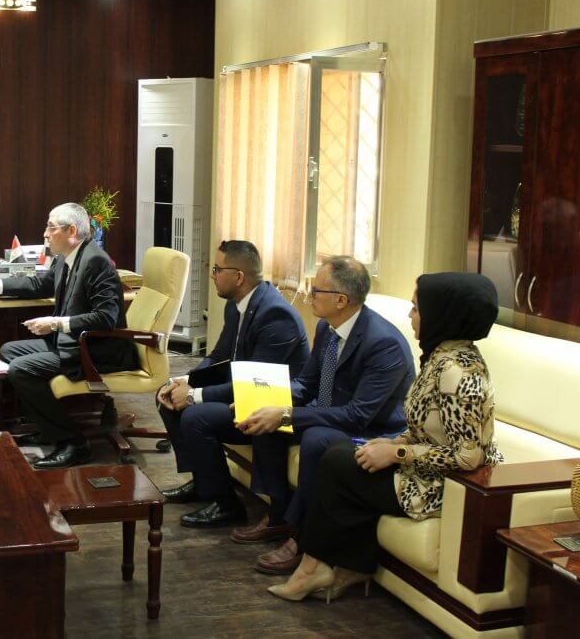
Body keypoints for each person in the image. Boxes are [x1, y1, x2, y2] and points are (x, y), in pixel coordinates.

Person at [267, 272, 502, 602]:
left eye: (416, 308)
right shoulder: (441, 356)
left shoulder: (458, 372)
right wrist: (393, 443)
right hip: (424, 469)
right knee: (347, 456)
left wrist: (397, 454)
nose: (410, 315)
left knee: (337, 462)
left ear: (442, 314)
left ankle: (311, 566)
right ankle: (349, 565)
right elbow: (425, 428)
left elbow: (468, 457)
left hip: (442, 486)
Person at [232, 256, 415, 576]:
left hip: (373, 430)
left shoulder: (384, 344)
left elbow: (358, 415)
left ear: (341, 300)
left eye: (316, 289)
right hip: (332, 413)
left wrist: (286, 414)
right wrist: (263, 400)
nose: (309, 294)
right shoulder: (327, 327)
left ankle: (302, 539)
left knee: (316, 439)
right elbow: (307, 383)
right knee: (266, 422)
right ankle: (278, 515)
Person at [0, 202, 137, 468]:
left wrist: (56, 323)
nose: (45, 234)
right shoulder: (66, 257)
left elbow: (106, 317)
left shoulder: (96, 261)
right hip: (73, 343)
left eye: (51, 227)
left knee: (21, 370)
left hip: (97, 351)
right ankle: (49, 428)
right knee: (8, 351)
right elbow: (40, 284)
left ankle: (73, 443)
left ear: (71, 230)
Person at [157, 240, 309, 528]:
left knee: (196, 415)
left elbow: (255, 385)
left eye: (217, 269)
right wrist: (184, 381)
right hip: (240, 393)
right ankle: (203, 482)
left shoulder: (276, 316)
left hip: (268, 405)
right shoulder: (235, 305)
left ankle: (226, 505)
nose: (212, 275)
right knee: (167, 395)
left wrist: (194, 395)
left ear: (239, 277)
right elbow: (218, 356)